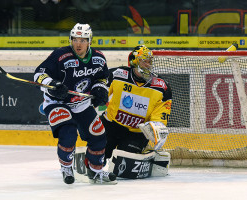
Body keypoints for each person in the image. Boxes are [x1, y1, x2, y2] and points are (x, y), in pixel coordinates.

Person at [33, 23, 116, 184]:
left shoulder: (98, 58)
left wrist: (100, 89)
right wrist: (53, 85)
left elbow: (103, 77)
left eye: (83, 40)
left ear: (89, 41)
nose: (78, 43)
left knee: (98, 134)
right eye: (75, 39)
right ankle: (66, 167)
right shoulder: (60, 55)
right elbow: (39, 74)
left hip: (82, 104)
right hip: (57, 102)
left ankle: (96, 170)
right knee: (68, 132)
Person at [101, 45, 173, 179]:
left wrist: (156, 128)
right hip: (111, 125)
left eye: (149, 61)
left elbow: (159, 117)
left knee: (124, 163)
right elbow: (99, 87)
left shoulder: (162, 87)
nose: (148, 64)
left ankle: (143, 151)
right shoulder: (117, 75)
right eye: (143, 60)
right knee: (98, 154)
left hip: (137, 133)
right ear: (134, 61)